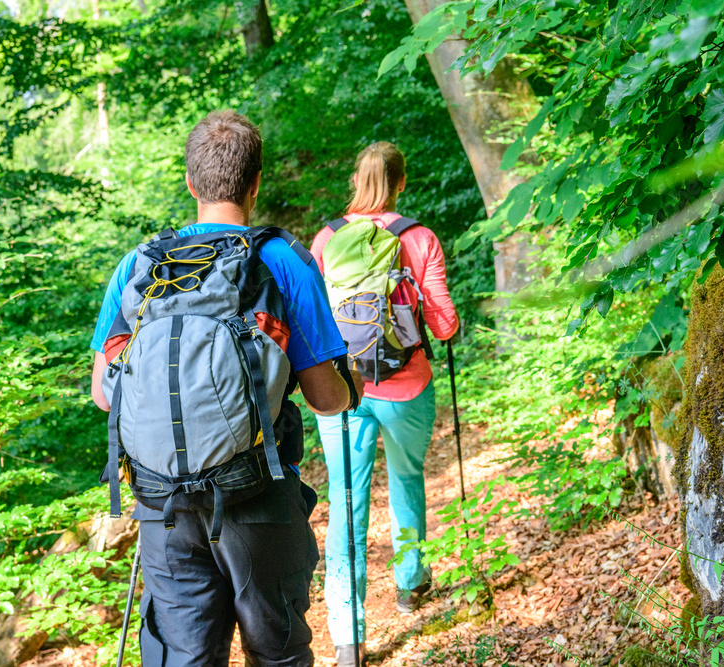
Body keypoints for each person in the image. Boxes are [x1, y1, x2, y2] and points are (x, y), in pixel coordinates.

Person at [89, 110, 364, 667]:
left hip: (161, 504)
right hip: (257, 494)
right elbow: (324, 396)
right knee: (277, 653)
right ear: (256, 182)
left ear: (191, 182)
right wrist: (352, 387)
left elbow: (103, 392)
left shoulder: (140, 265)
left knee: (183, 657)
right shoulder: (282, 261)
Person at [309, 141, 459, 666]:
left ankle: (348, 637)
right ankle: (410, 582)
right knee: (407, 479)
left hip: (340, 391)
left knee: (345, 502)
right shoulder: (418, 238)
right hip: (407, 386)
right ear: (401, 182)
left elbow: (308, 324)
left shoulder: (326, 239)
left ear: (356, 179)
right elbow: (444, 324)